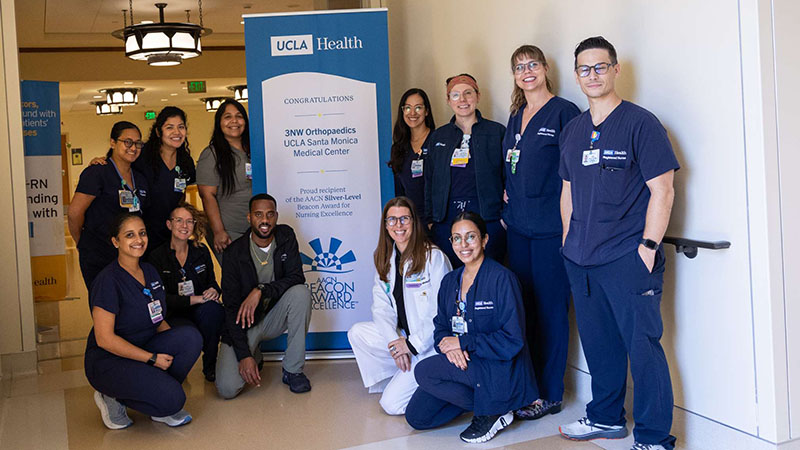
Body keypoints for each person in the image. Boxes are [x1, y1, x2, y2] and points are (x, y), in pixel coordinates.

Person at [557, 36, 679, 450]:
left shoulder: (641, 123)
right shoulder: (573, 131)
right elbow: (567, 191)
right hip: (581, 258)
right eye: (585, 69)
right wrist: (567, 242)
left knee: (643, 349)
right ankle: (607, 418)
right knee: (599, 345)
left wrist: (647, 247)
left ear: (615, 69)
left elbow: (663, 190)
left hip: (627, 257)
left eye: (600, 67)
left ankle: (653, 437)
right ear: (576, 75)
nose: (593, 75)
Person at [405, 212, 538, 444]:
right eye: (456, 238)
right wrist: (451, 348)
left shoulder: (502, 279)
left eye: (470, 237)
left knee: (423, 371)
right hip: (465, 362)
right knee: (418, 417)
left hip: (496, 366)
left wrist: (464, 343)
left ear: (484, 240)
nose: (463, 244)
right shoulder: (450, 282)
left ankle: (494, 408)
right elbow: (441, 329)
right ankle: (491, 403)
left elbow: (513, 340)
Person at [501, 45, 581, 421]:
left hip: (551, 230)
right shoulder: (516, 115)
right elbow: (511, 167)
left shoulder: (564, 113)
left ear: (546, 68)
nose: (527, 71)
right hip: (518, 228)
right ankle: (527, 388)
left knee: (551, 311)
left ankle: (550, 393)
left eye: (533, 64)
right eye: (520, 66)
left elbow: (576, 175)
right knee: (523, 309)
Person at [84, 212, 202, 430]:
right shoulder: (108, 281)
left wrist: (173, 342)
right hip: (109, 360)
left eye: (142, 233)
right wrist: (151, 358)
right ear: (115, 241)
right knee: (174, 400)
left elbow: (157, 317)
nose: (138, 240)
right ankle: (112, 395)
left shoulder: (149, 270)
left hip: (144, 343)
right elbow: (104, 339)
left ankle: (155, 392)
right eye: (129, 235)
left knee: (190, 337)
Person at [348, 196, 451, 415]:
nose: (398, 225)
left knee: (391, 405)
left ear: (414, 222)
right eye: (392, 220)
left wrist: (411, 345)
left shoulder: (433, 257)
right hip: (405, 337)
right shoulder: (385, 258)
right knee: (358, 333)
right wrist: (396, 344)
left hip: (429, 345)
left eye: (404, 219)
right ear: (385, 225)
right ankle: (398, 377)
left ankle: (428, 382)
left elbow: (441, 312)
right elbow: (381, 307)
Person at [215, 193, 313, 399]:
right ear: (249, 217)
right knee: (227, 389)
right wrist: (244, 355)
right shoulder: (234, 253)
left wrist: (261, 290)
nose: (265, 220)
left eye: (270, 214)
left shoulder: (286, 236)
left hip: (273, 317)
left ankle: (293, 370)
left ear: (276, 216)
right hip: (244, 325)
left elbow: (296, 277)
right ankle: (253, 352)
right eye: (258, 215)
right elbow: (231, 307)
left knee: (301, 293)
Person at [424, 74, 506, 268]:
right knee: (452, 278)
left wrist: (504, 220)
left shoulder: (496, 133)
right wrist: (430, 221)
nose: (462, 100)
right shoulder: (438, 137)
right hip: (446, 222)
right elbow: (429, 181)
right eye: (455, 95)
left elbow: (510, 178)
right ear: (448, 100)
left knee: (487, 278)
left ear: (478, 96)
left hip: (489, 220)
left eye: (468, 93)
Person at [68, 121, 150, 291]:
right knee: (104, 306)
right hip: (99, 255)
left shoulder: (140, 178)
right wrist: (82, 243)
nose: (133, 147)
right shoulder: (97, 173)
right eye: (127, 142)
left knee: (130, 306)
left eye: (137, 143)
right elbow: (74, 213)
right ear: (113, 142)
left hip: (130, 257)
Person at [148, 203, 224, 383]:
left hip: (200, 308)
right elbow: (160, 299)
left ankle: (210, 364)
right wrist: (196, 299)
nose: (184, 226)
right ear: (169, 224)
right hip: (173, 313)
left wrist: (214, 290)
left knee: (214, 311)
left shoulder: (201, 250)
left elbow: (212, 282)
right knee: (190, 333)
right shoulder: (157, 256)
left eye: (189, 221)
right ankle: (177, 371)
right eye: (179, 221)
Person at [197, 99, 253, 263]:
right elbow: (207, 196)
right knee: (240, 282)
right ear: (219, 123)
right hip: (229, 232)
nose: (234, 121)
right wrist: (218, 231)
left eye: (239, 116)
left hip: (256, 231)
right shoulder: (211, 155)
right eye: (227, 117)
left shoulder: (254, 149)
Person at [388, 89, 436, 215]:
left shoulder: (439, 141)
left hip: (437, 220)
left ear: (427, 111)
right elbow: (400, 192)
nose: (412, 113)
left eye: (418, 107)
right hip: (411, 221)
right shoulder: (398, 148)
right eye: (408, 108)